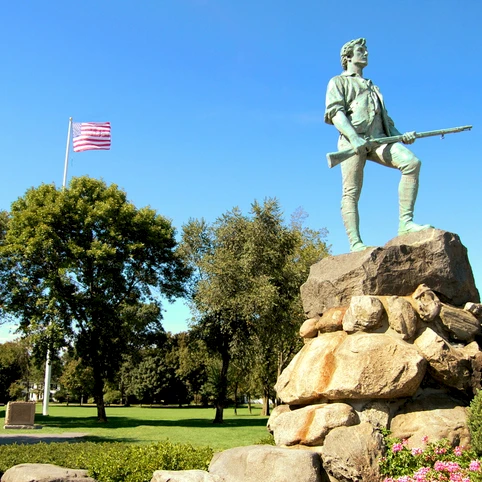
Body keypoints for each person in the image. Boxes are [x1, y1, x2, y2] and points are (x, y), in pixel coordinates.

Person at [325, 38, 431, 252]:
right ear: (348, 57)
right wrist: (354, 139)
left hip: (379, 140)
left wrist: (401, 136)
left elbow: (385, 120)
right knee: (351, 192)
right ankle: (355, 243)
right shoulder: (338, 81)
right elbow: (335, 113)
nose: (366, 54)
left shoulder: (374, 86)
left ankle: (406, 223)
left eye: (366, 50)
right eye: (360, 51)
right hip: (352, 142)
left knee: (412, 163)